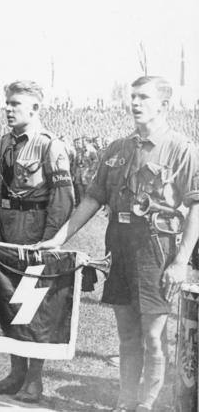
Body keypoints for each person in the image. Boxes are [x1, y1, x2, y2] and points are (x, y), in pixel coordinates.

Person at [36, 75, 199, 411]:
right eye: (132, 96)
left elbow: (197, 204)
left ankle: (146, 404)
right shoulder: (118, 148)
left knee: (153, 337)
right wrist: (59, 237)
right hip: (119, 248)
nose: (135, 103)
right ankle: (125, 402)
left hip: (156, 249)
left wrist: (181, 260)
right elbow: (93, 199)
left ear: (164, 105)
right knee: (126, 335)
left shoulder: (182, 149)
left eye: (143, 97)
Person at [0, 80, 74, 403]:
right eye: (6, 103)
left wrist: (48, 241)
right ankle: (15, 374)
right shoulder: (4, 143)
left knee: (34, 309)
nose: (7, 109)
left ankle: (34, 381)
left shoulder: (50, 146)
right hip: (5, 232)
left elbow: (62, 201)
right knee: (9, 304)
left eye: (15, 104)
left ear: (34, 109)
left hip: (35, 234)